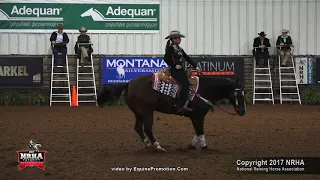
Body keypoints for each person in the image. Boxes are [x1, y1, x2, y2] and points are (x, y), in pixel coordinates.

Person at [164, 30, 200, 113]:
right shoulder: (170, 48)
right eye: (178, 38)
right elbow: (166, 59)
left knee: (188, 82)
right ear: (173, 39)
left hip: (181, 70)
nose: (180, 40)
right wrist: (174, 65)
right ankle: (181, 105)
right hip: (175, 70)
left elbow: (187, 58)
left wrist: (196, 66)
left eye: (179, 38)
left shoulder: (179, 49)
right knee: (185, 84)